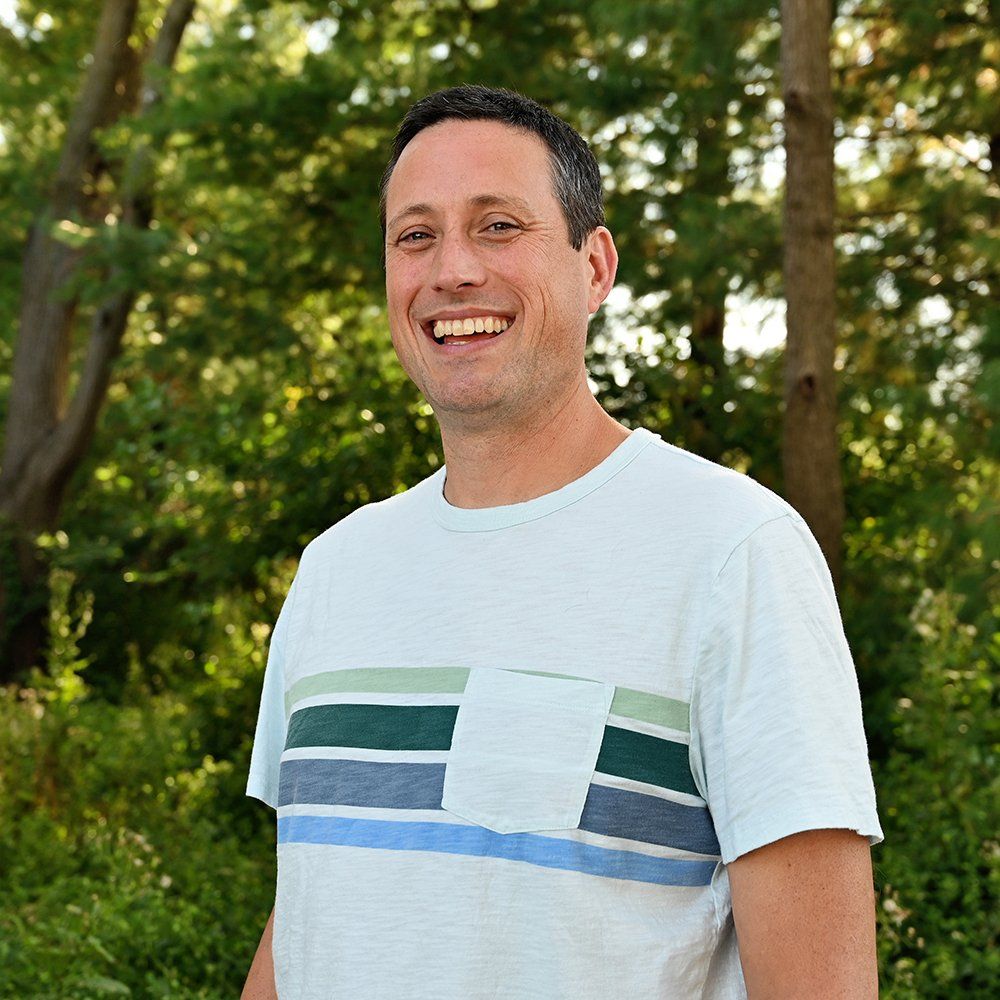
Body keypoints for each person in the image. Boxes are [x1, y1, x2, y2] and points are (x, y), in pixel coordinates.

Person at [241, 84, 883, 1000]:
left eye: (498, 225)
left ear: (595, 267)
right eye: (414, 235)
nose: (452, 269)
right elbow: (314, 912)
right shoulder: (338, 570)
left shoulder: (734, 554)